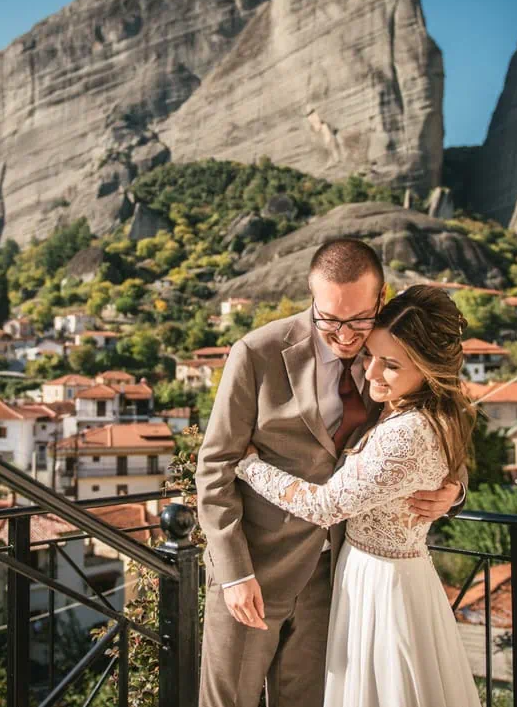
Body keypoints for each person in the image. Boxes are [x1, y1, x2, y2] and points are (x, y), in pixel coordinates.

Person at [196, 240, 468, 707]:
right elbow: (215, 467)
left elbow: (436, 418)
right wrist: (234, 573)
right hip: (255, 574)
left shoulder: (391, 352)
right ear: (310, 295)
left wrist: (454, 487)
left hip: (336, 578)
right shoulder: (256, 353)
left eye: (359, 320)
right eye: (330, 319)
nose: (345, 335)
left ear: (380, 300)